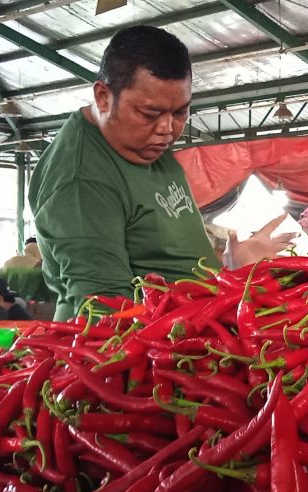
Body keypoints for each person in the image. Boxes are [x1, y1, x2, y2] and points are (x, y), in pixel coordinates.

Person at [29, 26, 293, 320]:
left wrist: (231, 267)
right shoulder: (81, 180)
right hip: (148, 350)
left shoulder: (143, 143)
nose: (168, 129)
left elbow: (166, 255)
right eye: (149, 114)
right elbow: (104, 311)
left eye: (180, 112)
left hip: (191, 332)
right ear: (103, 96)